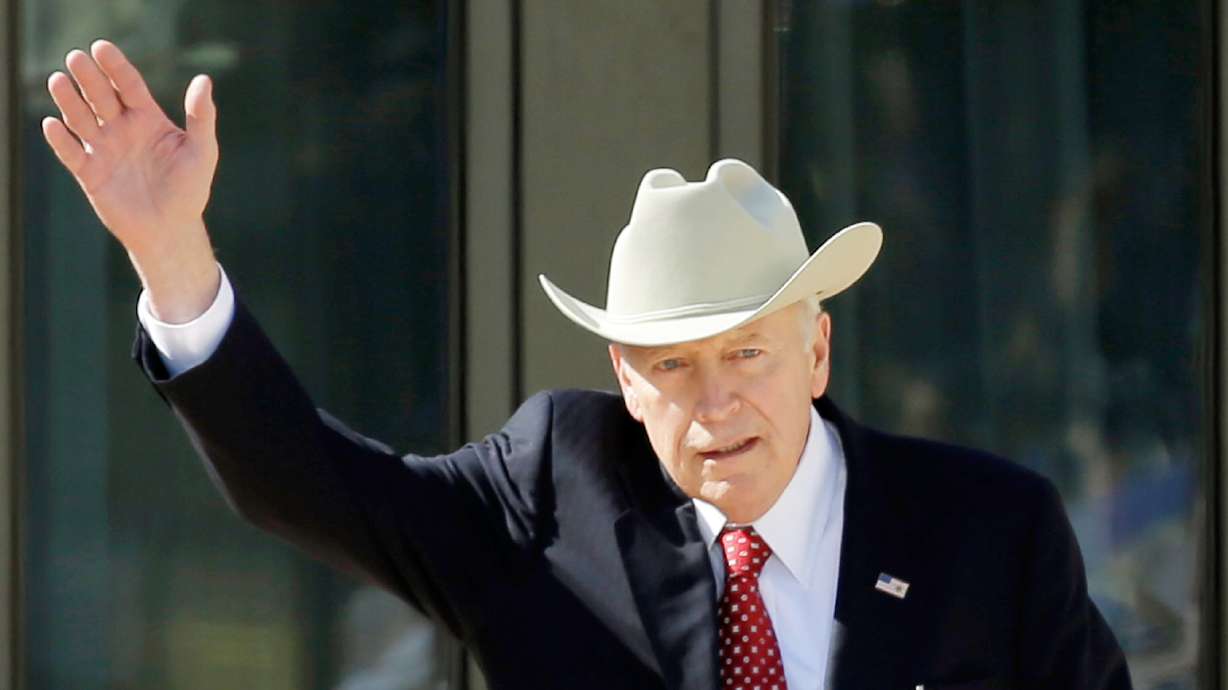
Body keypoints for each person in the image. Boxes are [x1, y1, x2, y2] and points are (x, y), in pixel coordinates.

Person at [43, 41, 1132, 690]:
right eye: (672, 365)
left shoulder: (990, 535)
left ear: (817, 349)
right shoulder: (557, 489)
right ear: (625, 377)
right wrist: (170, 253)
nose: (714, 403)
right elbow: (313, 487)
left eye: (747, 351)